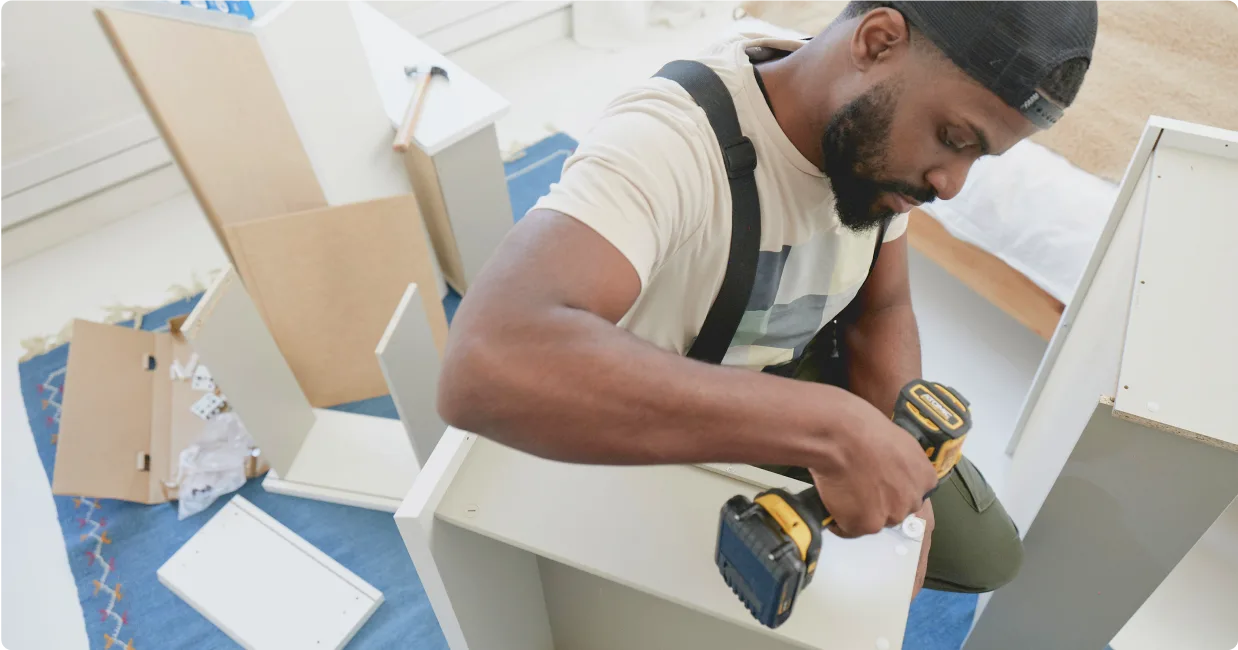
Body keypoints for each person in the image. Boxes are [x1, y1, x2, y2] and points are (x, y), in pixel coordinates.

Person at [437, 0, 1097, 595]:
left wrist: (901, 458)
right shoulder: (671, 139)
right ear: (876, 42)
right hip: (659, 399)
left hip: (783, 368)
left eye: (981, 157)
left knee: (988, 556)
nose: (952, 184)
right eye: (955, 139)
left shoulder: (871, 140)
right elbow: (485, 360)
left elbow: (882, 310)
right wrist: (829, 428)